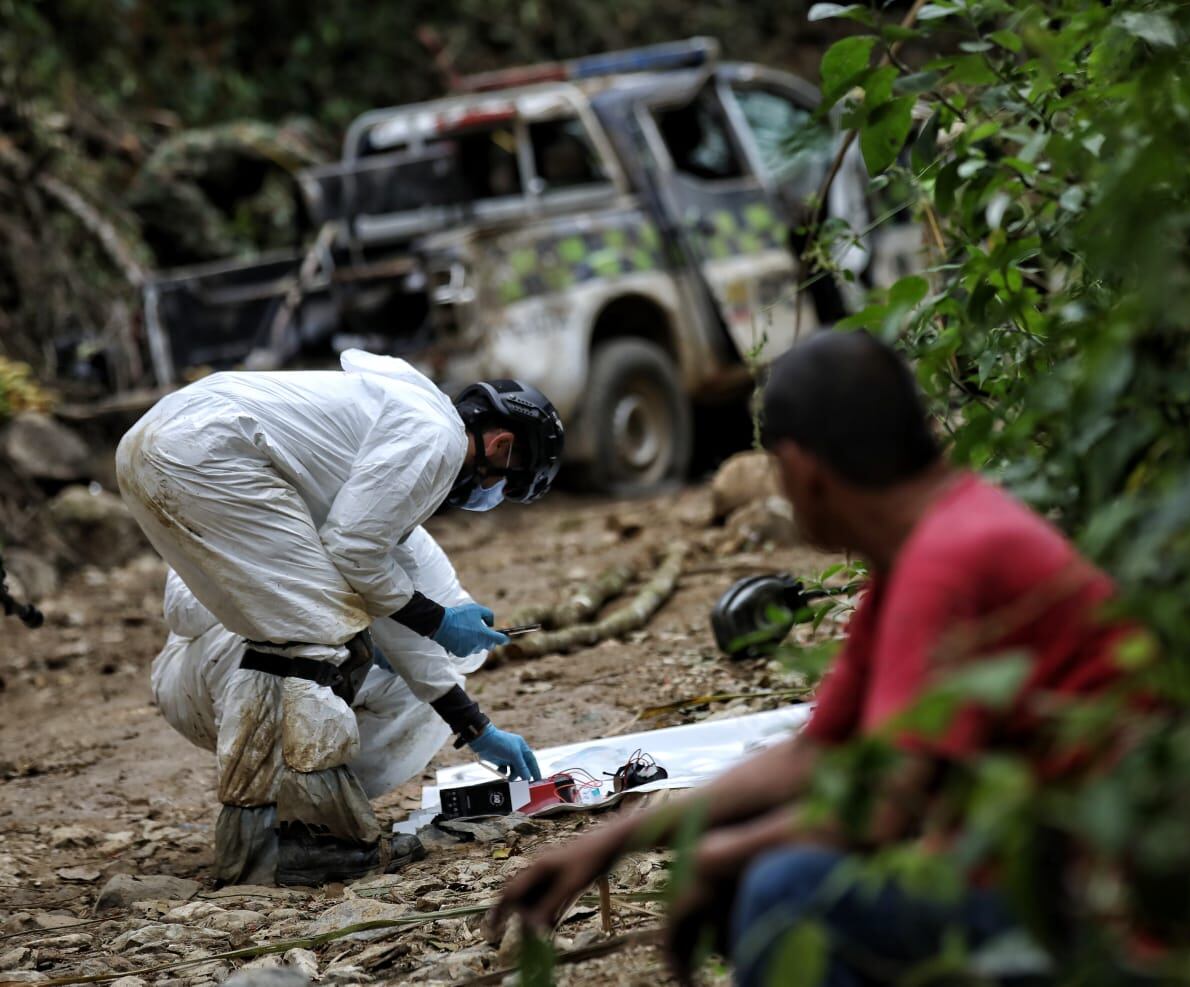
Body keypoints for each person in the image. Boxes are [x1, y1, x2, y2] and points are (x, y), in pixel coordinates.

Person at [489, 332, 1130, 985]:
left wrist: (714, 858)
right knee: (766, 871)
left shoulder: (947, 560)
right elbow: (813, 755)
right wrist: (610, 840)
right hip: (1046, 881)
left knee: (783, 888)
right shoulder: (924, 548)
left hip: (1105, 917)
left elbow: (881, 809)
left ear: (803, 471)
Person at [116, 350, 563, 885]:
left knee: (301, 630)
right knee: (320, 632)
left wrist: (477, 727)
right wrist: (439, 620)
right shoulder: (438, 439)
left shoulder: (381, 452)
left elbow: (373, 573)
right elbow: (355, 554)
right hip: (205, 451)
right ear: (500, 445)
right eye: (508, 485)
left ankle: (256, 839)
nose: (493, 498)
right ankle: (318, 838)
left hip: (164, 441)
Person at [150, 526, 523, 884]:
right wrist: (307, 582)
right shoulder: (256, 500)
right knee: (296, 629)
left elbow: (455, 649)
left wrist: (474, 723)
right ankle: (261, 835)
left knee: (436, 670)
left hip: (319, 669)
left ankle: (316, 818)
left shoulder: (403, 530)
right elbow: (184, 613)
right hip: (207, 673)